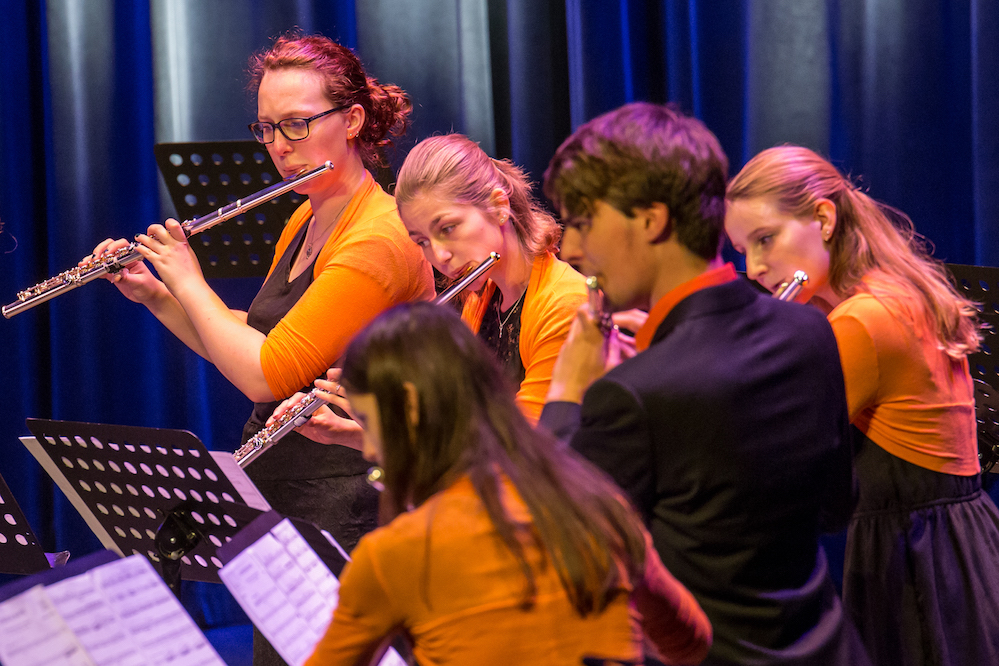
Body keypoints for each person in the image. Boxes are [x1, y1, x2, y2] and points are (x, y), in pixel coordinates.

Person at [92, 33, 434, 665]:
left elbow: (265, 374)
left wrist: (189, 278)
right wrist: (157, 294)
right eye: (268, 128)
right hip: (288, 495)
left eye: (298, 125)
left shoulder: (378, 238)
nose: (279, 147)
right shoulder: (306, 216)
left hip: (349, 505)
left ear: (353, 120)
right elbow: (257, 338)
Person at [539, 102, 870, 665]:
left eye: (582, 221)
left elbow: (555, 548)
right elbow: (835, 510)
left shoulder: (632, 394)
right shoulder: (810, 329)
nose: (569, 248)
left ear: (650, 219)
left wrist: (568, 393)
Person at [304, 302, 712, 666]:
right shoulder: (600, 505)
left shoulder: (394, 555)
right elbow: (690, 643)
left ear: (411, 406)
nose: (372, 450)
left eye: (371, 423)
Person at [725, 145, 999, 666]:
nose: (755, 268)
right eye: (743, 249)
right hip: (958, 546)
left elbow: (774, 448)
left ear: (823, 219)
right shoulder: (893, 292)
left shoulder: (862, 321)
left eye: (766, 240)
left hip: (916, 562)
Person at [391, 133, 589, 423]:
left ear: (499, 206)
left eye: (447, 229)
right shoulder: (482, 297)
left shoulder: (565, 306)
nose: (440, 256)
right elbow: (464, 427)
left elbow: (523, 447)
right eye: (422, 241)